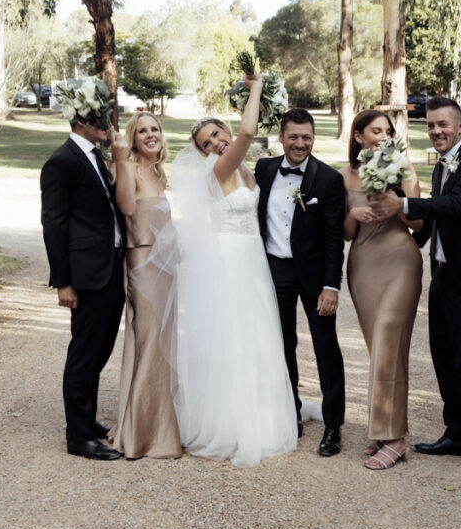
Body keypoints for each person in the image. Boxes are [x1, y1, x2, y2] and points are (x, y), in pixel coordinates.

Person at [153, 74, 297, 468]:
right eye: (207, 144)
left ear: (224, 130)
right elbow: (249, 132)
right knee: (233, 339)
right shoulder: (218, 169)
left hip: (252, 260)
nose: (216, 144)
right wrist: (258, 86)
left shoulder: (246, 170)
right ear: (202, 154)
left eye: (218, 135)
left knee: (256, 338)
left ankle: (260, 416)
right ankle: (230, 425)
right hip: (230, 263)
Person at [370, 97, 461, 478]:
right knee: (444, 357)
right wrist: (404, 247)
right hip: (443, 274)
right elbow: (435, 222)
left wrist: (404, 204)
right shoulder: (441, 166)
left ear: (460, 127)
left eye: (443, 125)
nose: (436, 132)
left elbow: (456, 206)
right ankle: (458, 434)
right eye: (431, 126)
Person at [255, 108, 347, 457]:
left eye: (306, 137)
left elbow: (334, 239)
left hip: (313, 276)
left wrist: (331, 286)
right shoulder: (264, 169)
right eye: (293, 136)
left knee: (325, 348)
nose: (300, 143)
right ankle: (289, 411)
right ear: (281, 137)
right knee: (282, 346)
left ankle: (333, 425)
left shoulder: (328, 180)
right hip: (273, 272)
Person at [40, 110, 127, 461]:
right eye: (101, 119)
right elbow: (53, 223)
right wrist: (63, 282)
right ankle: (77, 437)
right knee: (83, 355)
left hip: (110, 270)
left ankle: (87, 420)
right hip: (87, 275)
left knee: (100, 351)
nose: (109, 125)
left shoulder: (93, 156)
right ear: (80, 123)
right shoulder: (61, 161)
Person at [340, 110, 422, 470]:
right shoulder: (343, 176)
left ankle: (397, 437)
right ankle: (382, 428)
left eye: (389, 131)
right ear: (358, 135)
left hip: (401, 261)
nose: (384, 136)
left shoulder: (404, 169)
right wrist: (352, 216)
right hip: (363, 265)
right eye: (376, 130)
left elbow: (418, 224)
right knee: (379, 349)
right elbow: (344, 233)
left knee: (391, 338)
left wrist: (397, 196)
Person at [108, 112, 182, 460]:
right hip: (143, 265)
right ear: (132, 138)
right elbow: (125, 206)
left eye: (155, 129)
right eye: (142, 131)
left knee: (163, 341)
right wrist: (122, 160)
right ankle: (139, 433)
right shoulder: (131, 169)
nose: (151, 135)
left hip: (166, 267)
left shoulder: (157, 173)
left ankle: (160, 425)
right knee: (149, 340)